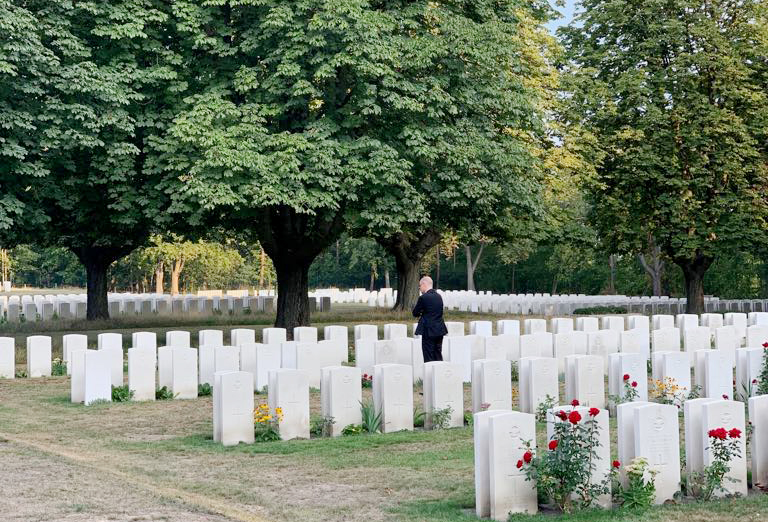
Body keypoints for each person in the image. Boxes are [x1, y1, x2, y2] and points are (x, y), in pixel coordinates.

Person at [412, 276, 448, 362]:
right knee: (438, 353)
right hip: (439, 329)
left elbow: (415, 313)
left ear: (424, 284)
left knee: (428, 355)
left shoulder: (423, 298)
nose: (420, 288)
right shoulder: (439, 296)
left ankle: (430, 375)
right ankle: (439, 373)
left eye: (420, 286)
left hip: (428, 331)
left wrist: (422, 312)